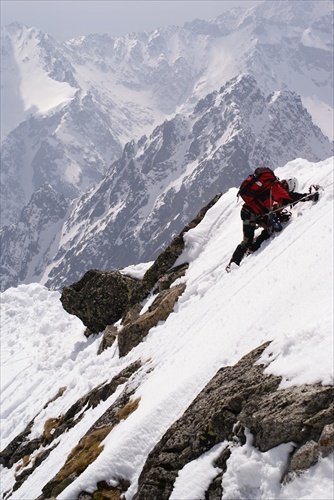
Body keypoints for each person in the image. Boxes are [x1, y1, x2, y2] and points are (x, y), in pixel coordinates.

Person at [226, 176, 318, 272]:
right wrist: (309, 197)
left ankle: (253, 248)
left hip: (254, 213)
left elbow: (285, 201)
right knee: (247, 241)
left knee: (269, 228)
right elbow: (291, 197)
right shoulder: (276, 187)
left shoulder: (272, 189)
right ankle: (232, 265)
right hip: (250, 214)